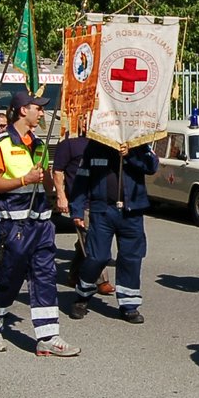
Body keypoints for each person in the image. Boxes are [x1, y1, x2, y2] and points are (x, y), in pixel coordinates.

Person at [0, 92, 76, 355]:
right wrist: (25, 179)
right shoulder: (0, 143)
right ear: (22, 110)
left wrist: (52, 184)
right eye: (38, 108)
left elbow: (45, 182)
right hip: (15, 225)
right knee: (10, 278)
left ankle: (48, 336)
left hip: (41, 222)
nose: (42, 113)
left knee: (45, 276)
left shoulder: (38, 144)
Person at [68, 135, 158, 323]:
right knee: (97, 257)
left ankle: (129, 306)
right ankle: (82, 296)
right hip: (103, 211)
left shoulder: (139, 143)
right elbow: (82, 178)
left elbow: (151, 166)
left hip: (131, 212)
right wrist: (76, 209)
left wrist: (130, 153)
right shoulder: (95, 145)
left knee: (130, 258)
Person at [51, 125, 114, 295]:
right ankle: (101, 280)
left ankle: (73, 273)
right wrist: (61, 196)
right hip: (81, 201)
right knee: (92, 241)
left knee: (85, 241)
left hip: (102, 201)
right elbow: (57, 171)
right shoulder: (69, 144)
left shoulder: (105, 143)